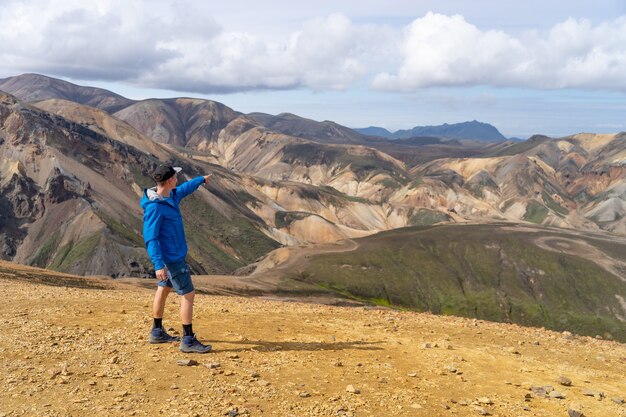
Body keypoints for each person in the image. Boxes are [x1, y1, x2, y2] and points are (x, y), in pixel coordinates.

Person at [141, 164, 213, 353]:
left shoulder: (170, 196)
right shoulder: (155, 207)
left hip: (169, 256)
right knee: (188, 294)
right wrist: (158, 264)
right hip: (171, 258)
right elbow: (151, 238)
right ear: (170, 180)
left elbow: (184, 189)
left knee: (163, 288)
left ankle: (157, 332)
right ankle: (188, 339)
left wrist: (200, 180)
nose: (178, 179)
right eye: (175, 176)